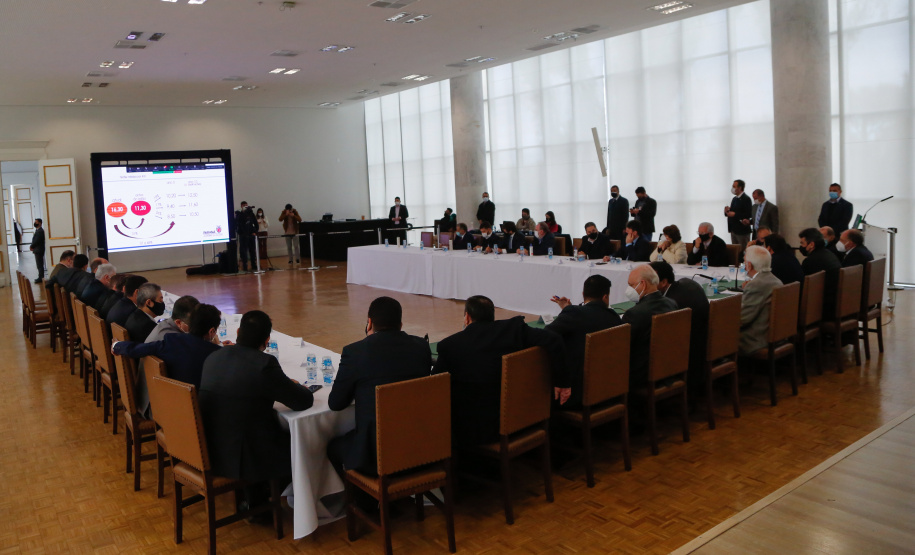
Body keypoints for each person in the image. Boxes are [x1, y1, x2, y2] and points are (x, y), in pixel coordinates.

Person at [199, 310, 314, 502]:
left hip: (210, 448)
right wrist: (291, 384)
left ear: (237, 332)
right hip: (246, 457)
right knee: (304, 442)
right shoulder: (264, 364)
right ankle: (267, 497)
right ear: (267, 340)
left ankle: (253, 497)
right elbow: (303, 401)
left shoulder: (214, 356)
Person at [433, 295, 569, 448]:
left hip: (480, 429)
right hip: (523, 415)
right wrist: (562, 383)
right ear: (492, 314)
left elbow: (436, 386)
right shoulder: (513, 329)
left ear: (467, 317)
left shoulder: (450, 346)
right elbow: (554, 340)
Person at [327, 297, 431, 476]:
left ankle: (365, 499)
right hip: (421, 448)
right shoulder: (421, 347)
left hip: (376, 457)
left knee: (332, 447)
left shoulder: (356, 352)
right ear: (400, 324)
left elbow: (336, 403)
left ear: (369, 323)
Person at [546, 275, 621, 410]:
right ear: (605, 297)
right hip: (609, 387)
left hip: (576, 392)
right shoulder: (615, 318)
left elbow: (548, 334)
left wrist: (567, 312)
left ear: (583, 294)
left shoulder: (574, 313)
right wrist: (567, 311)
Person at [114, 303, 223, 394]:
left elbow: (138, 348)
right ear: (212, 331)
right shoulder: (216, 354)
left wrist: (117, 346)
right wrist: (219, 347)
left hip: (173, 405)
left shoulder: (172, 341)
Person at [133, 295, 201, 418]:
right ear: (179, 322)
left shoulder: (165, 327)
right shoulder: (171, 339)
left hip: (148, 397)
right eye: (194, 324)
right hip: (156, 407)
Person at [650, 261, 709, 397]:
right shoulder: (687, 284)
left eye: (649, 280)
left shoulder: (670, 304)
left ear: (663, 282)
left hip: (688, 358)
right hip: (702, 348)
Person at [621, 265, 678, 388]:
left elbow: (623, 347)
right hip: (669, 368)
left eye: (631, 285)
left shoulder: (634, 314)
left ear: (643, 284)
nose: (629, 289)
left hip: (642, 375)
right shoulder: (671, 303)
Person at [738, 246, 784, 356]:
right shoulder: (775, 280)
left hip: (753, 340)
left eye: (744, 262)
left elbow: (742, 319)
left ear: (749, 265)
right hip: (773, 334)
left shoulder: (756, 285)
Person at [799, 227, 841, 317]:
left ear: (811, 245)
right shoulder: (830, 254)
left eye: (802, 243)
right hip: (837, 302)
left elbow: (804, 287)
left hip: (824, 309)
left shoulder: (810, 261)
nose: (801, 246)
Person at [725, 179, 752, 250]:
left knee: (743, 251)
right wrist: (727, 211)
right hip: (733, 229)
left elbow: (748, 214)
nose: (732, 188)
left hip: (742, 231)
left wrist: (735, 214)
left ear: (740, 188)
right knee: (735, 251)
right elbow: (732, 212)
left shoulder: (746, 199)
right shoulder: (734, 199)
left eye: (734, 186)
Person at [235, 201, 258, 272]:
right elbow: (238, 223)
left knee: (252, 251)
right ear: (241, 206)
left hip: (251, 235)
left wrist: (255, 231)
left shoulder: (251, 214)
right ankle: (245, 266)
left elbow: (255, 223)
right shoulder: (239, 214)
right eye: (244, 205)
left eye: (246, 205)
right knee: (243, 251)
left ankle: (253, 265)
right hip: (243, 236)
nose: (246, 206)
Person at [30, 218, 46, 283]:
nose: (35, 223)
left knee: (39, 264)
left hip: (39, 250)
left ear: (40, 223)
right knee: (39, 264)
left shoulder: (40, 231)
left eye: (36, 222)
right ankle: (40, 276)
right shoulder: (38, 231)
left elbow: (37, 241)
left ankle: (41, 277)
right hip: (38, 249)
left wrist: (32, 246)